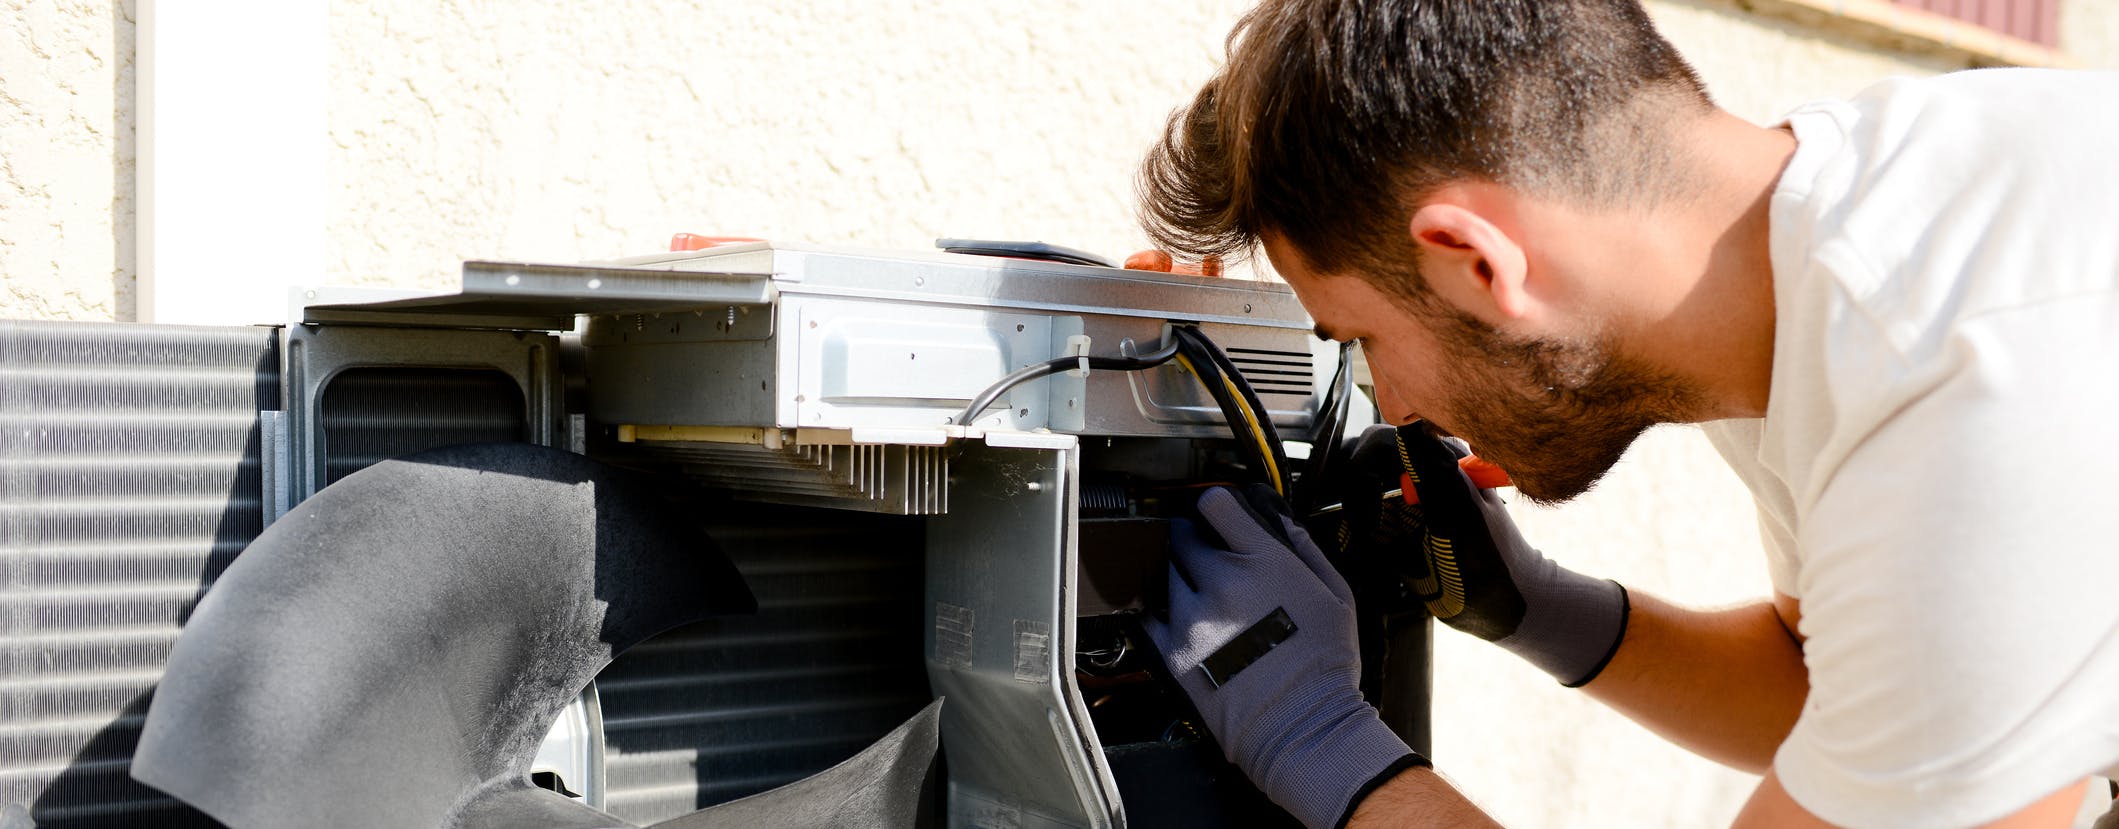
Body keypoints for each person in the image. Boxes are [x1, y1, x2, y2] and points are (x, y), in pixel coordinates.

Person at [1131, 1, 2119, 827]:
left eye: (1363, 339)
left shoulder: (1964, 392)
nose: (1393, 407)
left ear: (1480, 262)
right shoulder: (1834, 250)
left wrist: (1326, 746)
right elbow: (1846, 698)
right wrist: (1543, 612)